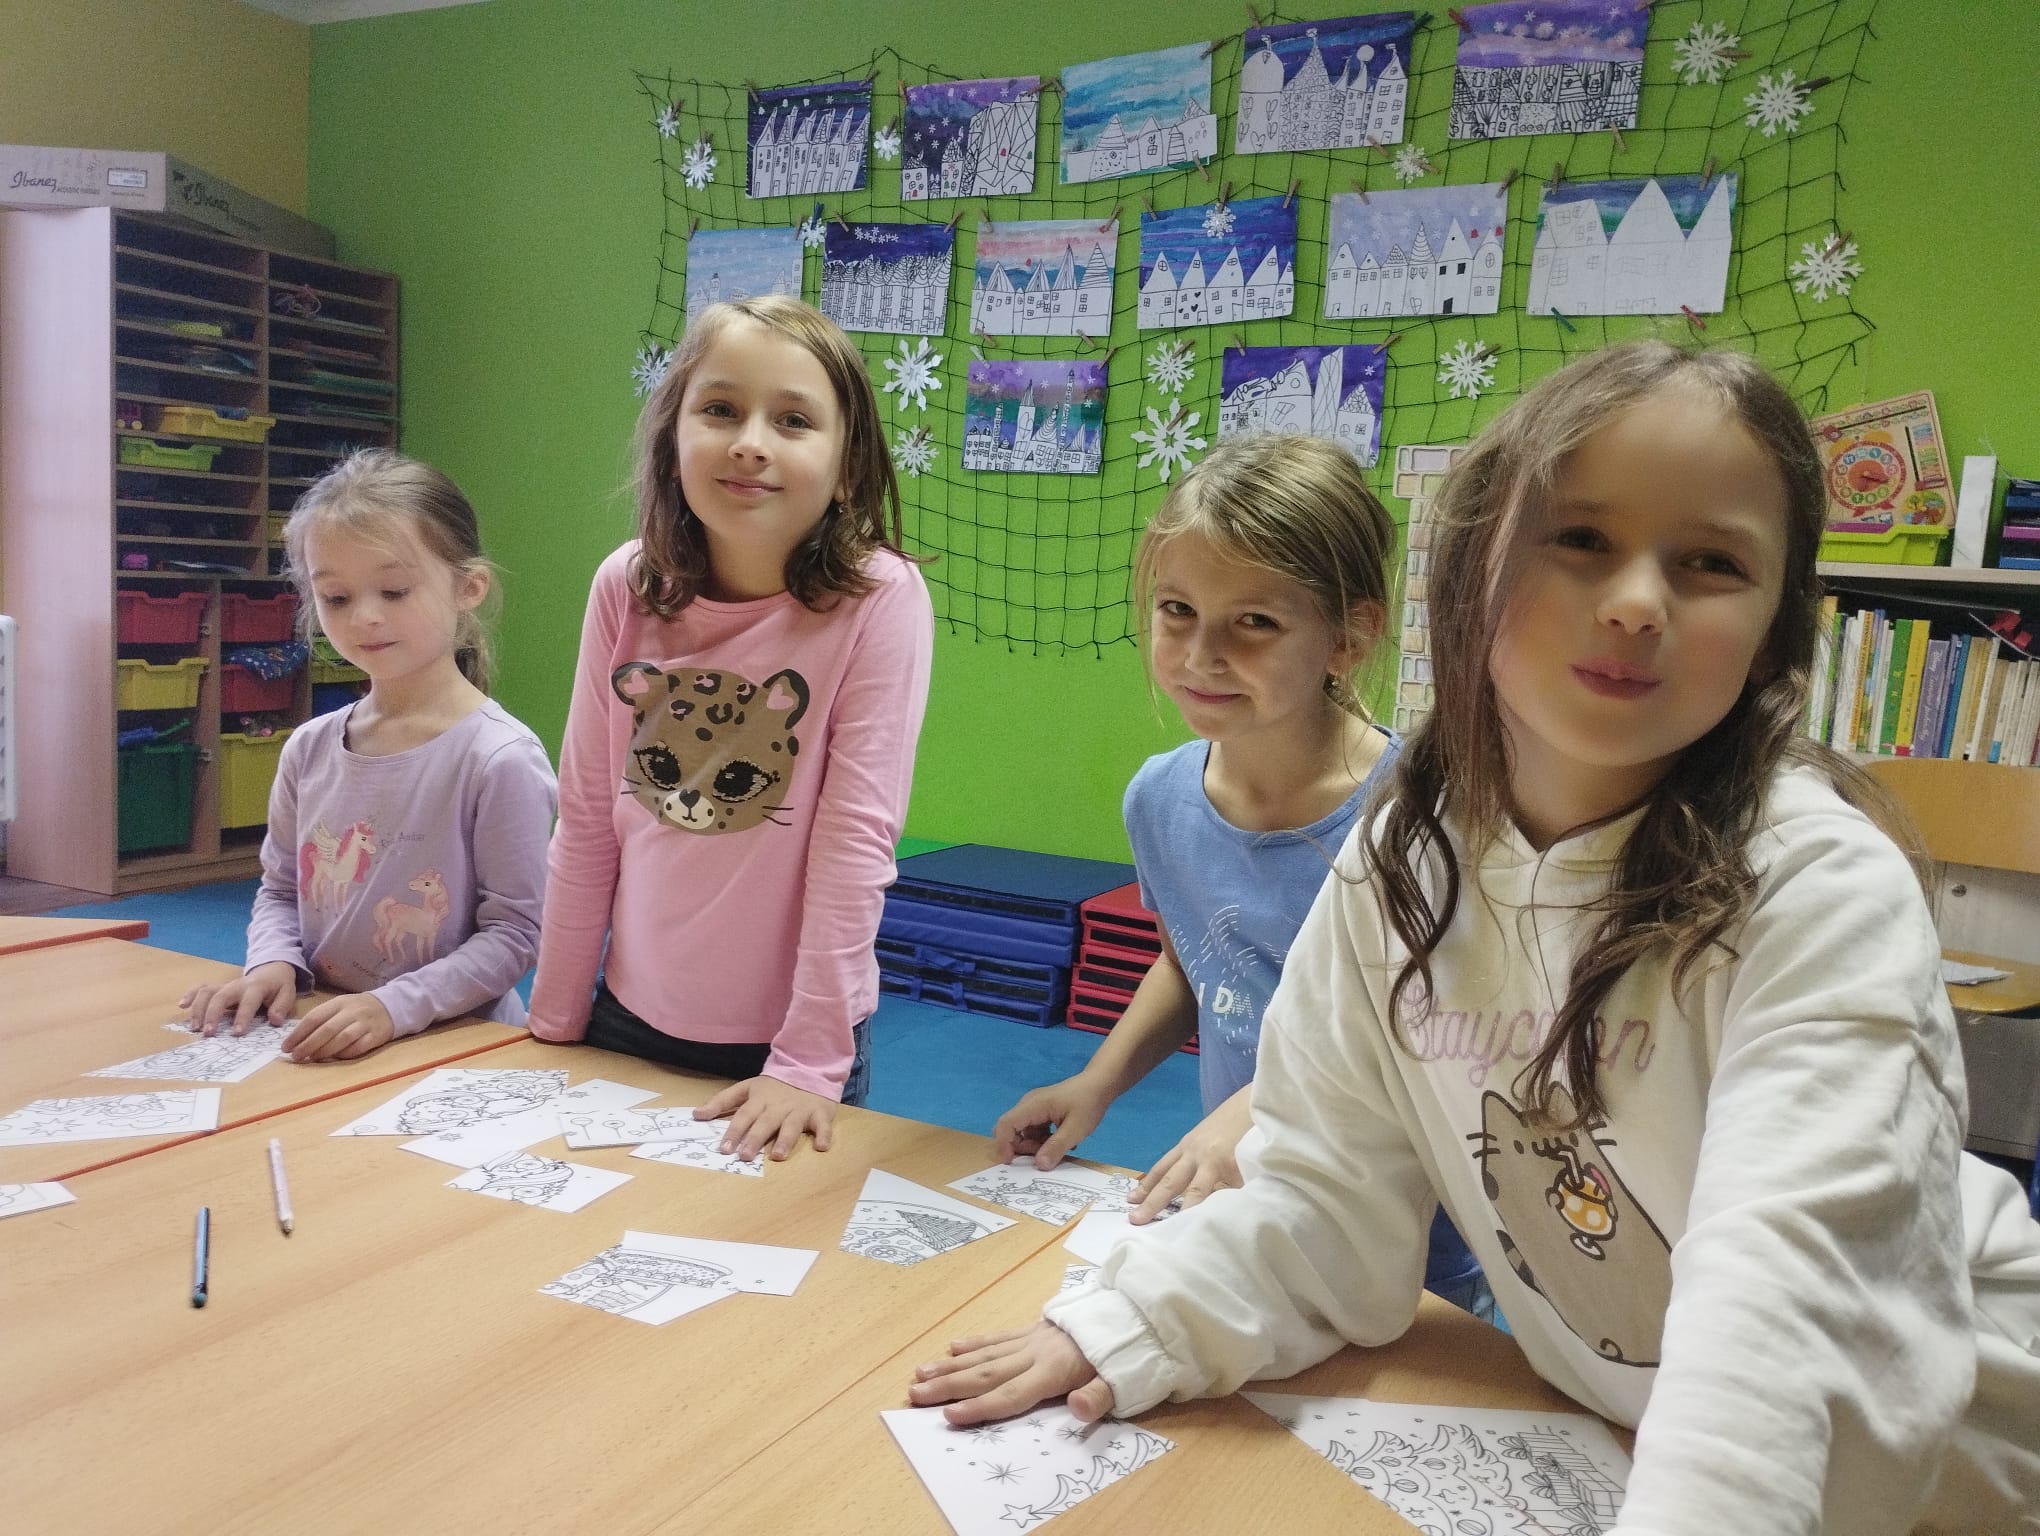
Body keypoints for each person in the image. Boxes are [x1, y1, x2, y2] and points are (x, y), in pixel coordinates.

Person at [910, 341, 2040, 1534]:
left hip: (1939, 1485)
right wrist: (1133, 1324)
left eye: (1712, 562)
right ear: (1471, 579)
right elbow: (1326, 1200)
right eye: (1582, 538)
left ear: (1773, 630)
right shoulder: (1407, 855)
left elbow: (1790, 1316)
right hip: (1620, 1427)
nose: (1638, 600)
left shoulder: (1817, 886)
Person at [989, 434, 1490, 1317]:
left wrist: (1260, 1108)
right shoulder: (1159, 800)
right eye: (1177, 610)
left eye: (1254, 622)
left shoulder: (1421, 812)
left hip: (1405, 1251)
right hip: (1244, 1217)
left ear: (1348, 637)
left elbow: (1425, 1031)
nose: (1200, 654)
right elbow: (1194, 962)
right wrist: (1097, 1082)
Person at [527, 295, 933, 1163]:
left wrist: (808, 1063)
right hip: (625, 1016)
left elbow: (854, 843)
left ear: (849, 467)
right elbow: (588, 816)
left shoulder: (879, 598)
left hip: (789, 1047)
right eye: (720, 409)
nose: (751, 442)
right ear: (673, 439)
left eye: (793, 420)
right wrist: (553, 1019)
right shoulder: (626, 586)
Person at [183, 450, 556, 1060]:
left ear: (468, 587)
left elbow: (516, 935)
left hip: (454, 1043)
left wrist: (392, 1007)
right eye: (335, 597)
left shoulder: (500, 759)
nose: (365, 617)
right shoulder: (308, 748)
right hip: (328, 1025)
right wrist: (271, 962)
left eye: (394, 590)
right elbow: (281, 890)